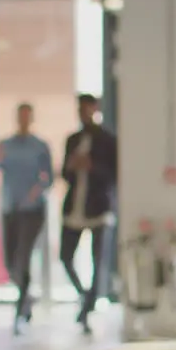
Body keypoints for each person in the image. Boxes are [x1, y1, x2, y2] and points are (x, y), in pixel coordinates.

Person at [0, 102, 53, 333]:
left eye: (27, 115)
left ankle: (20, 313)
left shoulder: (39, 146)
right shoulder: (6, 145)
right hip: (10, 208)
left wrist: (35, 191)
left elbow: (49, 179)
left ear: (31, 118)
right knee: (10, 263)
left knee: (23, 257)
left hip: (32, 210)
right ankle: (26, 298)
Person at [61, 94, 117, 333]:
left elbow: (114, 175)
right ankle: (85, 296)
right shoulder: (72, 140)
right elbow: (65, 174)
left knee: (98, 261)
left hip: (99, 207)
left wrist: (92, 167)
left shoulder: (107, 140)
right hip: (74, 206)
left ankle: (88, 307)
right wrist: (72, 168)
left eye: (87, 109)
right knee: (65, 257)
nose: (83, 114)